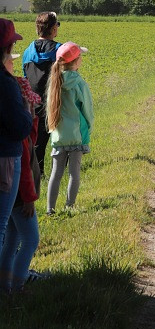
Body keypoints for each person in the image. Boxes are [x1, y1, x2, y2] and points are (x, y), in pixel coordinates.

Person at [0, 61, 41, 295]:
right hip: (21, 197)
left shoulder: (20, 130)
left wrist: (31, 119)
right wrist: (29, 198)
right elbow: (25, 168)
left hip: (17, 195)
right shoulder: (16, 137)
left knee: (13, 237)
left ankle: (5, 285)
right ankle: (18, 284)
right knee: (30, 239)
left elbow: (31, 139)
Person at [46, 42, 94, 213]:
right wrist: (89, 126)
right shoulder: (79, 83)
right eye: (80, 56)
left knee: (55, 173)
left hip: (58, 136)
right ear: (76, 60)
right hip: (76, 135)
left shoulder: (54, 81)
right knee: (74, 173)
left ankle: (50, 209)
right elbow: (87, 109)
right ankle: (69, 206)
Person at [0, 20, 34, 264]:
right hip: (5, 159)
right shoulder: (6, 83)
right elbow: (20, 128)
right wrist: (27, 109)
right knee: (1, 225)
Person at [22, 10, 63, 176]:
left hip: (34, 105)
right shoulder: (60, 50)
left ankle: (38, 175)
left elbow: (25, 79)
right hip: (55, 103)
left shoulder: (27, 52)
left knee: (37, 143)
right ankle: (58, 173)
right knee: (60, 142)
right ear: (53, 29)